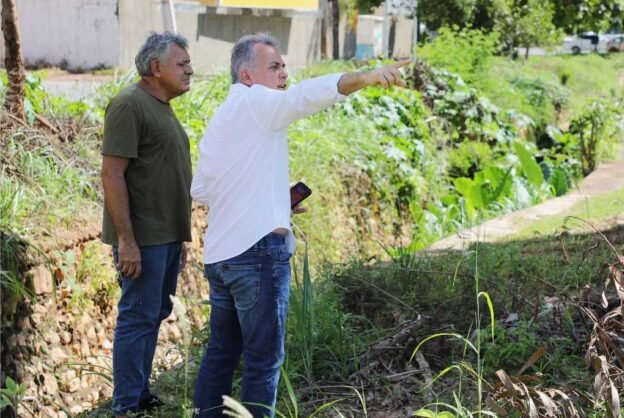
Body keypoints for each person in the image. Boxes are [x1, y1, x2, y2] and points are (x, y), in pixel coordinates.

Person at [191, 33, 408, 417]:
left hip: (221, 256)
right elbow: (304, 97)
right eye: (273, 67)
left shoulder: (223, 116)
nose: (284, 73)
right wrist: (367, 77)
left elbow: (202, 187)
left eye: (283, 65)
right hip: (257, 255)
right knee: (263, 360)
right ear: (246, 75)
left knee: (221, 356)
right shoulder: (259, 101)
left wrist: (271, 199)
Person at [100, 31, 194, 417]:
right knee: (137, 316)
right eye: (182, 64)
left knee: (152, 314)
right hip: (143, 237)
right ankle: (125, 405)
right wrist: (127, 241)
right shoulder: (128, 105)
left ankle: (138, 393)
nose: (190, 70)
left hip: (166, 235)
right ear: (156, 68)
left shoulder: (161, 105)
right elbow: (112, 175)